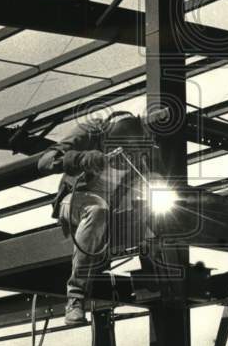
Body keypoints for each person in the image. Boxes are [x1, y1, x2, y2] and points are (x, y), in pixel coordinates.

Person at [37, 111, 155, 325]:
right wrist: (82, 158)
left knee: (157, 213)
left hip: (111, 212)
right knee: (97, 209)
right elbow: (44, 161)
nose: (123, 155)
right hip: (75, 201)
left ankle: (155, 280)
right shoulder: (90, 131)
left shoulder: (140, 152)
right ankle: (75, 298)